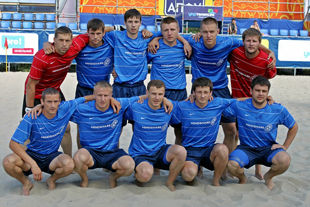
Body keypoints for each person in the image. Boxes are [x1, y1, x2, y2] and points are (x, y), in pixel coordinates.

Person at [179, 17, 276, 155]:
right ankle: (197, 163)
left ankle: (225, 163)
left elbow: (249, 41)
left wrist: (269, 52)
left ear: (218, 31)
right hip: (199, 91)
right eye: (205, 32)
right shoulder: (194, 41)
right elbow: (172, 33)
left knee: (231, 130)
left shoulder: (227, 42)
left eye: (212, 31)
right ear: (200, 32)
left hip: (221, 90)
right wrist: (183, 42)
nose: (208, 35)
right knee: (195, 129)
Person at [2, 88, 94, 195]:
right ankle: (26, 182)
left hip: (51, 156)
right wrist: (33, 164)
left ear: (60, 102)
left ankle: (52, 179)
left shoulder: (65, 108)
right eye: (49, 102)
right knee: (8, 162)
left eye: (55, 102)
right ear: (42, 102)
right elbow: (13, 144)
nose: (52, 105)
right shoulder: (32, 116)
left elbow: (86, 98)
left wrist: (110, 99)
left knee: (69, 164)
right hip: (32, 154)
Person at [23, 26, 89, 157]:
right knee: (29, 130)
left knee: (66, 128)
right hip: (36, 94)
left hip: (55, 92)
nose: (64, 44)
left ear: (72, 41)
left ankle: (69, 159)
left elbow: (96, 30)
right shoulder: (42, 57)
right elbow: (31, 86)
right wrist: (28, 109)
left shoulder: (74, 47)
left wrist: (118, 27)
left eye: (67, 41)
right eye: (61, 40)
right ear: (54, 40)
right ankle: (27, 163)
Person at [223, 76, 298, 190]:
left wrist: (284, 146)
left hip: (268, 148)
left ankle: (268, 177)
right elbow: (221, 110)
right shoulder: (240, 106)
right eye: (257, 90)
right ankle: (242, 179)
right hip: (246, 148)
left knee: (285, 160)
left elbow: (294, 127)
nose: (260, 94)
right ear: (251, 91)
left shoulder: (277, 109)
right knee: (232, 165)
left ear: (268, 93)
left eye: (264, 91)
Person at [71, 81, 140, 188]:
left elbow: (142, 98)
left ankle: (113, 177)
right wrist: (39, 107)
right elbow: (60, 107)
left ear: (111, 96)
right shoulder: (82, 109)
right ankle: (84, 179)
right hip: (91, 152)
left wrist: (163, 99)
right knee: (78, 158)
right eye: (99, 95)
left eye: (106, 96)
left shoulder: (119, 105)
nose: (103, 99)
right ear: (94, 95)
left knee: (129, 165)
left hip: (112, 152)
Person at [229, 28, 277, 178]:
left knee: (258, 134)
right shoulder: (235, 52)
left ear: (259, 43)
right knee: (234, 133)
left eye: (254, 41)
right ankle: (232, 164)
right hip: (238, 100)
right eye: (248, 41)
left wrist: (265, 96)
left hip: (256, 101)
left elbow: (268, 80)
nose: (251, 44)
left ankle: (258, 170)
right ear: (243, 42)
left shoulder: (266, 60)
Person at [125, 80, 187, 191]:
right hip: (140, 153)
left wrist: (192, 96)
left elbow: (191, 104)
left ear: (164, 95)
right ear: (147, 92)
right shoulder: (135, 107)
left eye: (160, 94)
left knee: (181, 151)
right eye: (153, 94)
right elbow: (117, 103)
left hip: (159, 151)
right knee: (145, 176)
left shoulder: (169, 107)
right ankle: (138, 171)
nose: (157, 98)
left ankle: (170, 182)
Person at [172, 77, 234, 186]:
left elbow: (240, 101)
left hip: (208, 150)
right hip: (190, 150)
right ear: (193, 93)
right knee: (188, 175)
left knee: (223, 149)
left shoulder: (218, 103)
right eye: (199, 92)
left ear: (211, 93)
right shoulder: (183, 106)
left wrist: (265, 99)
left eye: (206, 92)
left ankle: (216, 180)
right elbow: (161, 104)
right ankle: (194, 168)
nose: (202, 95)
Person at [147, 16, 189, 144]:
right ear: (161, 31)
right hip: (159, 94)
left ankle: (179, 158)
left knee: (181, 131)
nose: (169, 33)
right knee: (156, 130)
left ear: (178, 30)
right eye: (165, 30)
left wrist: (185, 42)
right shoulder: (154, 47)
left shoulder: (184, 46)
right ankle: (156, 160)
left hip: (179, 93)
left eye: (172, 29)